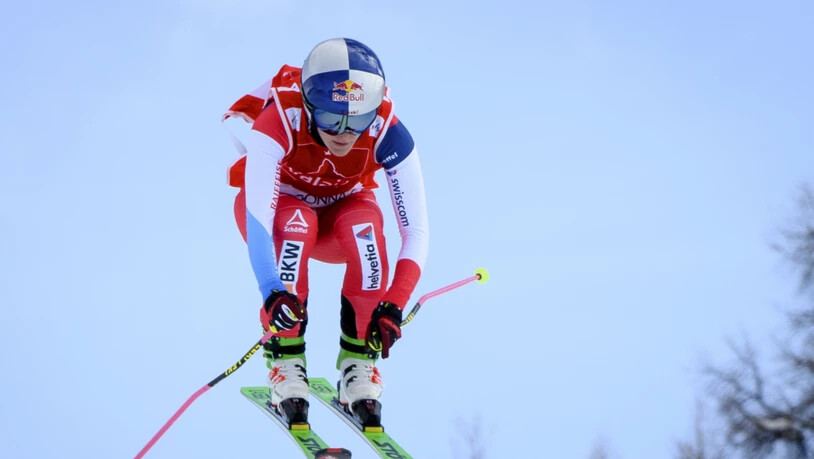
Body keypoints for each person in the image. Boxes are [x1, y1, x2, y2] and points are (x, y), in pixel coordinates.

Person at [222, 38, 429, 427]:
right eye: (332, 119)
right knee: (297, 226)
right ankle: (286, 365)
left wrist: (395, 304)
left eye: (358, 121)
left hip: (340, 215)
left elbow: (416, 231)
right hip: (281, 211)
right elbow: (259, 220)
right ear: (308, 104)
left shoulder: (389, 131)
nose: (344, 134)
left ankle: (358, 368)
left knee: (364, 227)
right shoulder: (280, 118)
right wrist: (272, 290)